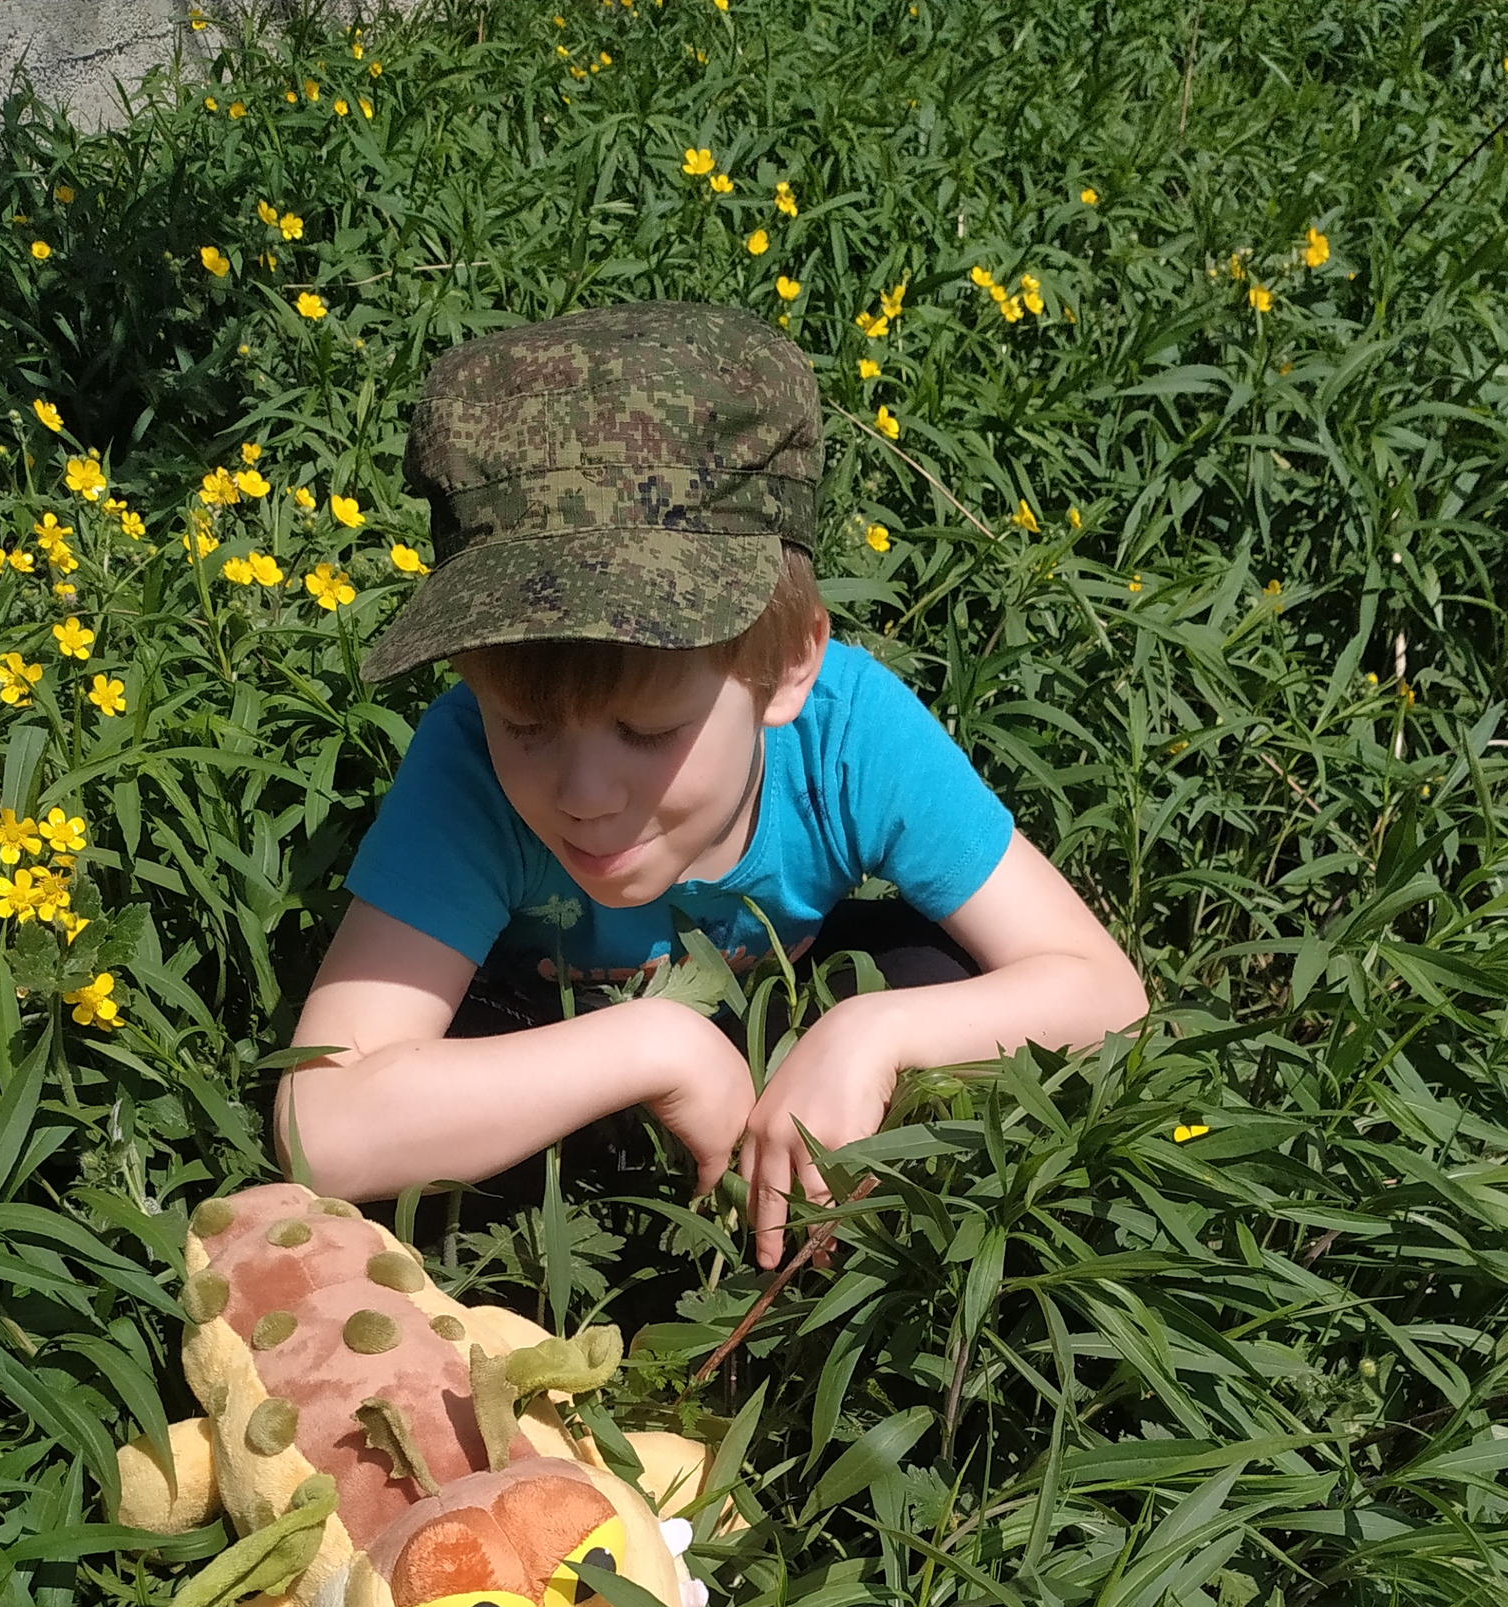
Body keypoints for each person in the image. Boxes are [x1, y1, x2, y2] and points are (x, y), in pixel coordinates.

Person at [280, 301, 1148, 1270]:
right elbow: (321, 1122)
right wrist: (654, 1046)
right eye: (522, 723)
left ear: (783, 669)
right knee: (466, 1127)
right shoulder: (468, 769)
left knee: (926, 971)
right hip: (555, 1054)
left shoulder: (849, 737)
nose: (583, 793)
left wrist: (874, 1036)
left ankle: (856, 1278)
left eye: (648, 730)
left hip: (775, 1035)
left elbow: (1104, 991)